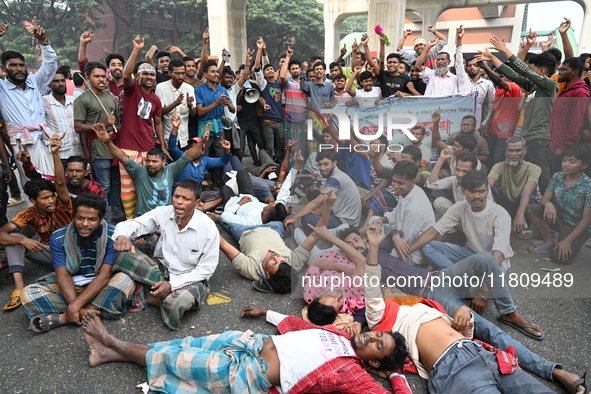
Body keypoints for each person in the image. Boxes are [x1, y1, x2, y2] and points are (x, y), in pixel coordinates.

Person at [363, 224, 586, 394]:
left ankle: (509, 311)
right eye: (383, 289)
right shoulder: (384, 315)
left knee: (484, 259)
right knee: (491, 331)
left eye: (357, 240)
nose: (387, 287)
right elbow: (371, 283)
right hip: (434, 297)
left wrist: (386, 236)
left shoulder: (415, 301)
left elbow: (390, 229)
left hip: (440, 277)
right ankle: (552, 370)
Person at [79, 306, 413, 394]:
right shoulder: (337, 335)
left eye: (378, 345)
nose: (371, 338)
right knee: (177, 347)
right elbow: (298, 325)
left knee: (170, 359)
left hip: (246, 374)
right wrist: (264, 313)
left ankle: (112, 342)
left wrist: (395, 374)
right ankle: (107, 354)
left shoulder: (354, 373)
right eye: (377, 334)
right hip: (246, 343)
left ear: (374, 362)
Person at [112, 178, 219, 330]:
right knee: (122, 255)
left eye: (186, 199)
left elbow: (206, 269)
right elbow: (136, 224)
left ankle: (148, 295)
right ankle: (157, 293)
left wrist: (172, 285)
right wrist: (122, 236)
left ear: (197, 203)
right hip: (160, 270)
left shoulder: (208, 229)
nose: (179, 202)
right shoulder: (163, 212)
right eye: (176, 196)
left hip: (189, 279)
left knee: (178, 302)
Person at [21, 194, 134, 333]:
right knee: (28, 294)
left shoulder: (113, 235)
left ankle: (64, 318)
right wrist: (76, 306)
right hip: (73, 287)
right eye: (80, 218)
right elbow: (63, 276)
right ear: (73, 217)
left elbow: (104, 275)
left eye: (91, 219)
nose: (84, 224)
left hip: (103, 284)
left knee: (125, 280)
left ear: (100, 220)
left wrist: (74, 308)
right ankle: (95, 310)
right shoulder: (58, 237)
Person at [476, 36, 558, 194]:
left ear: (541, 72)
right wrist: (492, 57)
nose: (529, 73)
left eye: (533, 70)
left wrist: (504, 50)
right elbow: (514, 75)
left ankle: (549, 202)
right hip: (529, 136)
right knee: (531, 173)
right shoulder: (533, 87)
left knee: (543, 173)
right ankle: (534, 198)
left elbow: (523, 70)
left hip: (540, 138)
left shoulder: (549, 85)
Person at [0, 133, 71, 311]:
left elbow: (60, 182)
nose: (51, 201)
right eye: (45, 198)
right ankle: (19, 288)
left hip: (73, 252)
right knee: (13, 239)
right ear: (33, 200)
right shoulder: (29, 213)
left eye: (51, 196)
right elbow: (2, 234)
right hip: (50, 254)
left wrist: (55, 153)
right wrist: (23, 240)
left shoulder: (63, 204)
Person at [93, 122, 212, 217]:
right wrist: (107, 142)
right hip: (144, 219)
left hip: (166, 217)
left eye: (154, 161)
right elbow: (123, 157)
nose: (150, 164)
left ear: (164, 162)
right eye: (148, 161)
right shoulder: (140, 171)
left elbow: (188, 156)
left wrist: (202, 142)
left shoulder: (170, 170)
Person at [0, 18, 57, 182]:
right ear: (3, 69)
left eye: (22, 65)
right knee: (33, 187)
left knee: (54, 182)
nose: (19, 69)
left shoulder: (34, 81)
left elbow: (50, 65)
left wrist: (43, 42)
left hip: (44, 140)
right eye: (14, 65)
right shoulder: (2, 88)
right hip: (21, 143)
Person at [119, 36, 168, 219]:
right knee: (128, 188)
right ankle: (131, 221)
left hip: (148, 149)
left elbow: (157, 123)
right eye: (145, 74)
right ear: (137, 77)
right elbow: (125, 75)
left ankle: (147, 219)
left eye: (152, 74)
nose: (149, 77)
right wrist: (136, 50)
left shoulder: (156, 99)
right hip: (128, 148)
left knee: (147, 186)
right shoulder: (132, 90)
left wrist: (162, 146)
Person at [74, 61, 124, 222]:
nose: (101, 80)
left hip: (115, 147)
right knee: (104, 186)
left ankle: (118, 213)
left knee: (117, 184)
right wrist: (104, 124)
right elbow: (78, 126)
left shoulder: (111, 97)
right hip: (98, 148)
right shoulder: (82, 99)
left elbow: (117, 122)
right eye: (97, 76)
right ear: (88, 78)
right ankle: (105, 220)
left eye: (103, 76)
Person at [526, 144, 591, 264]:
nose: (565, 164)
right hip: (559, 217)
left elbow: (587, 219)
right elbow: (544, 199)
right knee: (532, 209)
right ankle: (549, 242)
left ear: (584, 165)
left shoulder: (588, 186)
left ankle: (565, 240)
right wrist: (548, 204)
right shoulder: (557, 177)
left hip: (577, 226)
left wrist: (568, 240)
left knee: (560, 258)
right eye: (564, 160)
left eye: (572, 162)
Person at [285, 149, 361, 235]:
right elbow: (324, 202)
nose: (322, 168)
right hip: (346, 216)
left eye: (326, 164)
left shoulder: (335, 179)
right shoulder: (337, 174)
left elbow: (316, 202)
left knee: (306, 219)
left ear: (334, 163)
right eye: (320, 165)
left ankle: (319, 227)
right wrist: (315, 216)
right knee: (320, 204)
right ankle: (318, 221)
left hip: (345, 223)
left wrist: (295, 218)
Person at [488, 136, 541, 238]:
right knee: (490, 189)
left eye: (518, 150)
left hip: (521, 204)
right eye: (510, 150)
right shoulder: (498, 166)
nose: (513, 154)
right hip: (504, 205)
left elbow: (527, 192)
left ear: (525, 150)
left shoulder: (534, 168)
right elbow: (487, 185)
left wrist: (520, 214)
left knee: (530, 196)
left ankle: (524, 226)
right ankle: (496, 222)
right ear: (505, 151)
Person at [194, 60, 234, 186]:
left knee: (220, 154)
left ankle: (218, 181)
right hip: (204, 126)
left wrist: (228, 103)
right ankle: (203, 181)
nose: (216, 74)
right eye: (213, 72)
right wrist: (217, 103)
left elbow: (232, 109)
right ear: (205, 75)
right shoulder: (199, 90)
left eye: (217, 71)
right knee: (202, 154)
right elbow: (199, 112)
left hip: (219, 125)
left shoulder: (222, 89)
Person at [549, 57, 590, 174]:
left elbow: (576, 122)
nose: (559, 72)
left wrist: (564, 146)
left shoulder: (580, 92)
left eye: (563, 69)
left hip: (562, 149)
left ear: (575, 72)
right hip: (554, 145)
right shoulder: (568, 89)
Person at [427, 151, 490, 224]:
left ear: (473, 171)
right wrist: (441, 159)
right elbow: (431, 184)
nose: (460, 174)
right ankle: (454, 233)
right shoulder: (454, 180)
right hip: (462, 219)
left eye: (464, 171)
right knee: (439, 202)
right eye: (457, 170)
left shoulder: (481, 186)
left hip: (477, 223)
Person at [479, 61, 523, 164]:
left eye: (502, 76)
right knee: (490, 158)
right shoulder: (498, 90)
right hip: (492, 131)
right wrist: (486, 124)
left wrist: (485, 67)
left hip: (506, 133)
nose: (499, 78)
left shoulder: (514, 88)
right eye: (499, 76)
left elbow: (498, 80)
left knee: (498, 160)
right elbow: (495, 109)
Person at [19, 148, 104, 200]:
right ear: (66, 171)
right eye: (70, 170)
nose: (74, 174)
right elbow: (38, 177)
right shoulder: (62, 182)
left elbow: (98, 211)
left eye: (78, 171)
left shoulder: (96, 188)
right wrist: (27, 164)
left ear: (85, 172)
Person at [454, 26, 495, 129]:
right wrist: (459, 39)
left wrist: (485, 124)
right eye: (469, 65)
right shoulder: (462, 79)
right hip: (458, 115)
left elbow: (492, 105)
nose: (472, 67)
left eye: (475, 65)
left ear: (480, 67)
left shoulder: (487, 84)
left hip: (478, 118)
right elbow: (458, 61)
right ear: (466, 67)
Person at [255, 37, 286, 163]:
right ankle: (268, 169)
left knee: (282, 147)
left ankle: (281, 168)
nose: (270, 70)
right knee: (269, 147)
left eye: (271, 69)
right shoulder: (263, 84)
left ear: (275, 71)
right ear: (264, 73)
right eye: (266, 69)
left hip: (280, 121)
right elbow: (257, 67)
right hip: (268, 121)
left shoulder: (280, 84)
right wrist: (259, 50)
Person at [43, 72, 83, 166]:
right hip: (59, 153)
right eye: (56, 81)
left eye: (62, 81)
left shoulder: (73, 100)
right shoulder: (44, 102)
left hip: (77, 152)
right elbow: (41, 125)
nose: (60, 84)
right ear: (49, 84)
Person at [155, 59, 197, 149]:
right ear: (170, 73)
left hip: (184, 139)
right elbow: (159, 112)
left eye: (183, 73)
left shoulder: (189, 88)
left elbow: (194, 114)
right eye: (177, 73)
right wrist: (175, 103)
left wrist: (190, 105)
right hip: (167, 138)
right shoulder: (160, 88)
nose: (180, 76)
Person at [77, 29, 126, 97]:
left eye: (120, 65)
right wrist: (83, 44)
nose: (117, 67)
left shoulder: (131, 85)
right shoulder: (103, 84)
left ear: (123, 67)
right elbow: (83, 65)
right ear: (108, 68)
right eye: (113, 65)